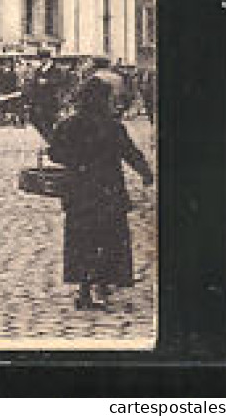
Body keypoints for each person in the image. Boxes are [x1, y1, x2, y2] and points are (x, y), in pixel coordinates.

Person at [47, 76, 155, 310]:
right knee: (108, 237)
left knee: (81, 240)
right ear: (101, 100)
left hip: (79, 192)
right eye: (108, 98)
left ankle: (85, 290)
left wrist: (75, 161)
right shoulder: (112, 126)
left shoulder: (68, 125)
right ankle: (103, 284)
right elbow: (130, 152)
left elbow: (54, 153)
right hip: (108, 191)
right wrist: (145, 173)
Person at [27, 49, 65, 142]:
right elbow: (34, 83)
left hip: (51, 99)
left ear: (47, 59)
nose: (41, 61)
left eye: (42, 59)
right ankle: (49, 138)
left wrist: (47, 82)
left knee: (49, 120)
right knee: (35, 118)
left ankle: (51, 140)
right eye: (40, 59)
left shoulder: (56, 69)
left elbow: (61, 81)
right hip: (39, 100)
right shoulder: (38, 70)